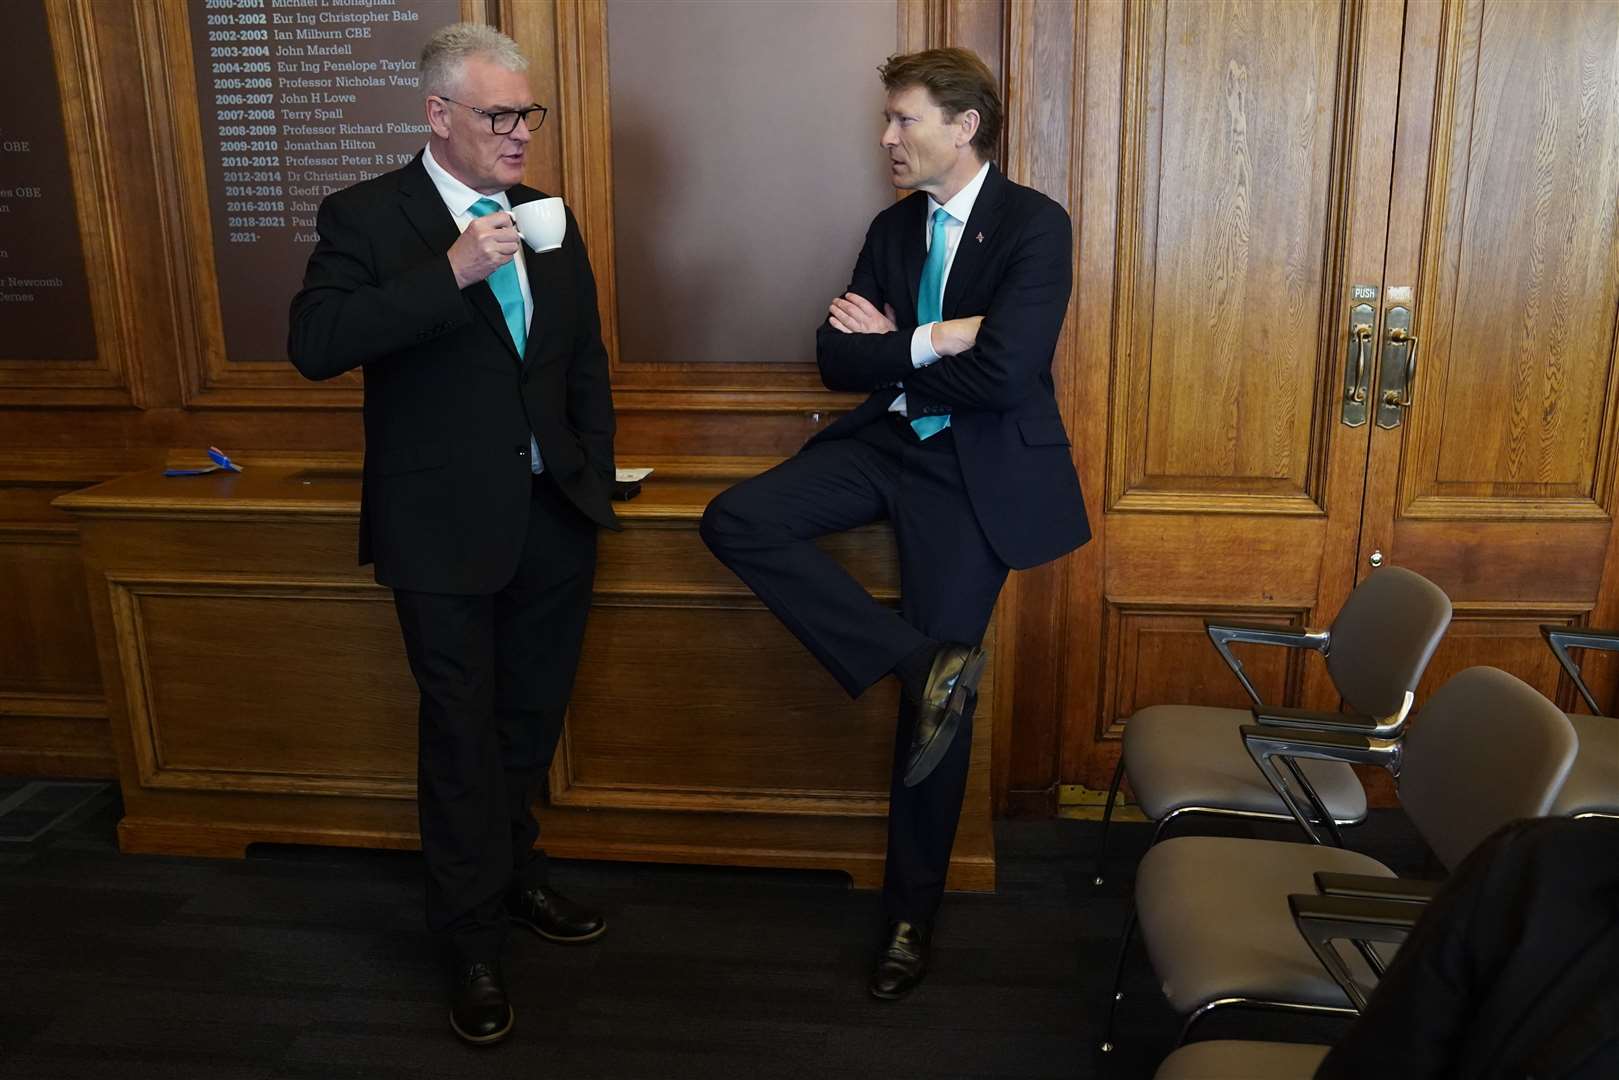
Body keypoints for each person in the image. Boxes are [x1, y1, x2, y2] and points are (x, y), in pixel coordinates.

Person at [700, 46, 1088, 1000]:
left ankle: (911, 916)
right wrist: (936, 339)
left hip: (974, 473)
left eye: (903, 120)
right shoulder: (891, 228)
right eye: (887, 120)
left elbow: (1004, 374)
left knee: (931, 726)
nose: (886, 138)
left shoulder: (1035, 226)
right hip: (884, 446)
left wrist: (901, 346)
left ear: (964, 127)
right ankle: (920, 661)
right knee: (736, 518)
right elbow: (836, 360)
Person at [287, 22, 617, 1046]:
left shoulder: (547, 217)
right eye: (500, 116)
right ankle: (468, 937)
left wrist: (590, 479)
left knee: (525, 726)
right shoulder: (367, 217)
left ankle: (514, 877)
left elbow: (582, 366)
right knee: (461, 737)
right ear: (439, 115)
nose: (522, 134)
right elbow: (316, 345)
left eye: (530, 114)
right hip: (438, 532)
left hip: (552, 520)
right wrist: (452, 271)